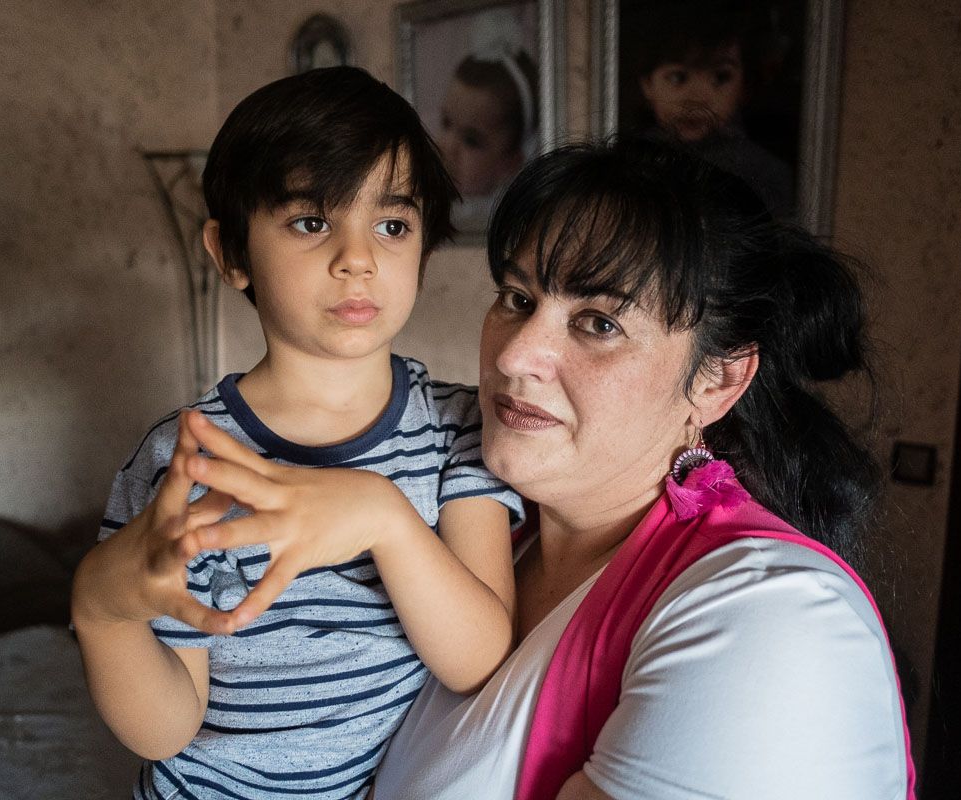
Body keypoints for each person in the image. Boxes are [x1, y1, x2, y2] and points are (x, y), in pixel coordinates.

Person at [183, 137, 917, 799]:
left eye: (599, 323)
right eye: (517, 298)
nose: (513, 355)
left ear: (717, 380)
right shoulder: (477, 526)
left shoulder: (768, 618)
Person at [71, 66, 523, 800]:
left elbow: (478, 659)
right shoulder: (185, 459)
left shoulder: (457, 429)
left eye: (392, 225)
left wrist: (383, 516)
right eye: (312, 222)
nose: (358, 259)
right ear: (231, 254)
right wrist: (101, 612)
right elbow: (167, 731)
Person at [622, 0, 796, 218]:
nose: (697, 98)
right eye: (678, 78)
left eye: (720, 77)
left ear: (745, 87)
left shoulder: (765, 173)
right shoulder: (628, 163)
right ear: (647, 85)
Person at [437, 45, 538, 233]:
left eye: (471, 140)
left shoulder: (506, 222)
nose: (448, 147)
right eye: (446, 123)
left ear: (511, 162)